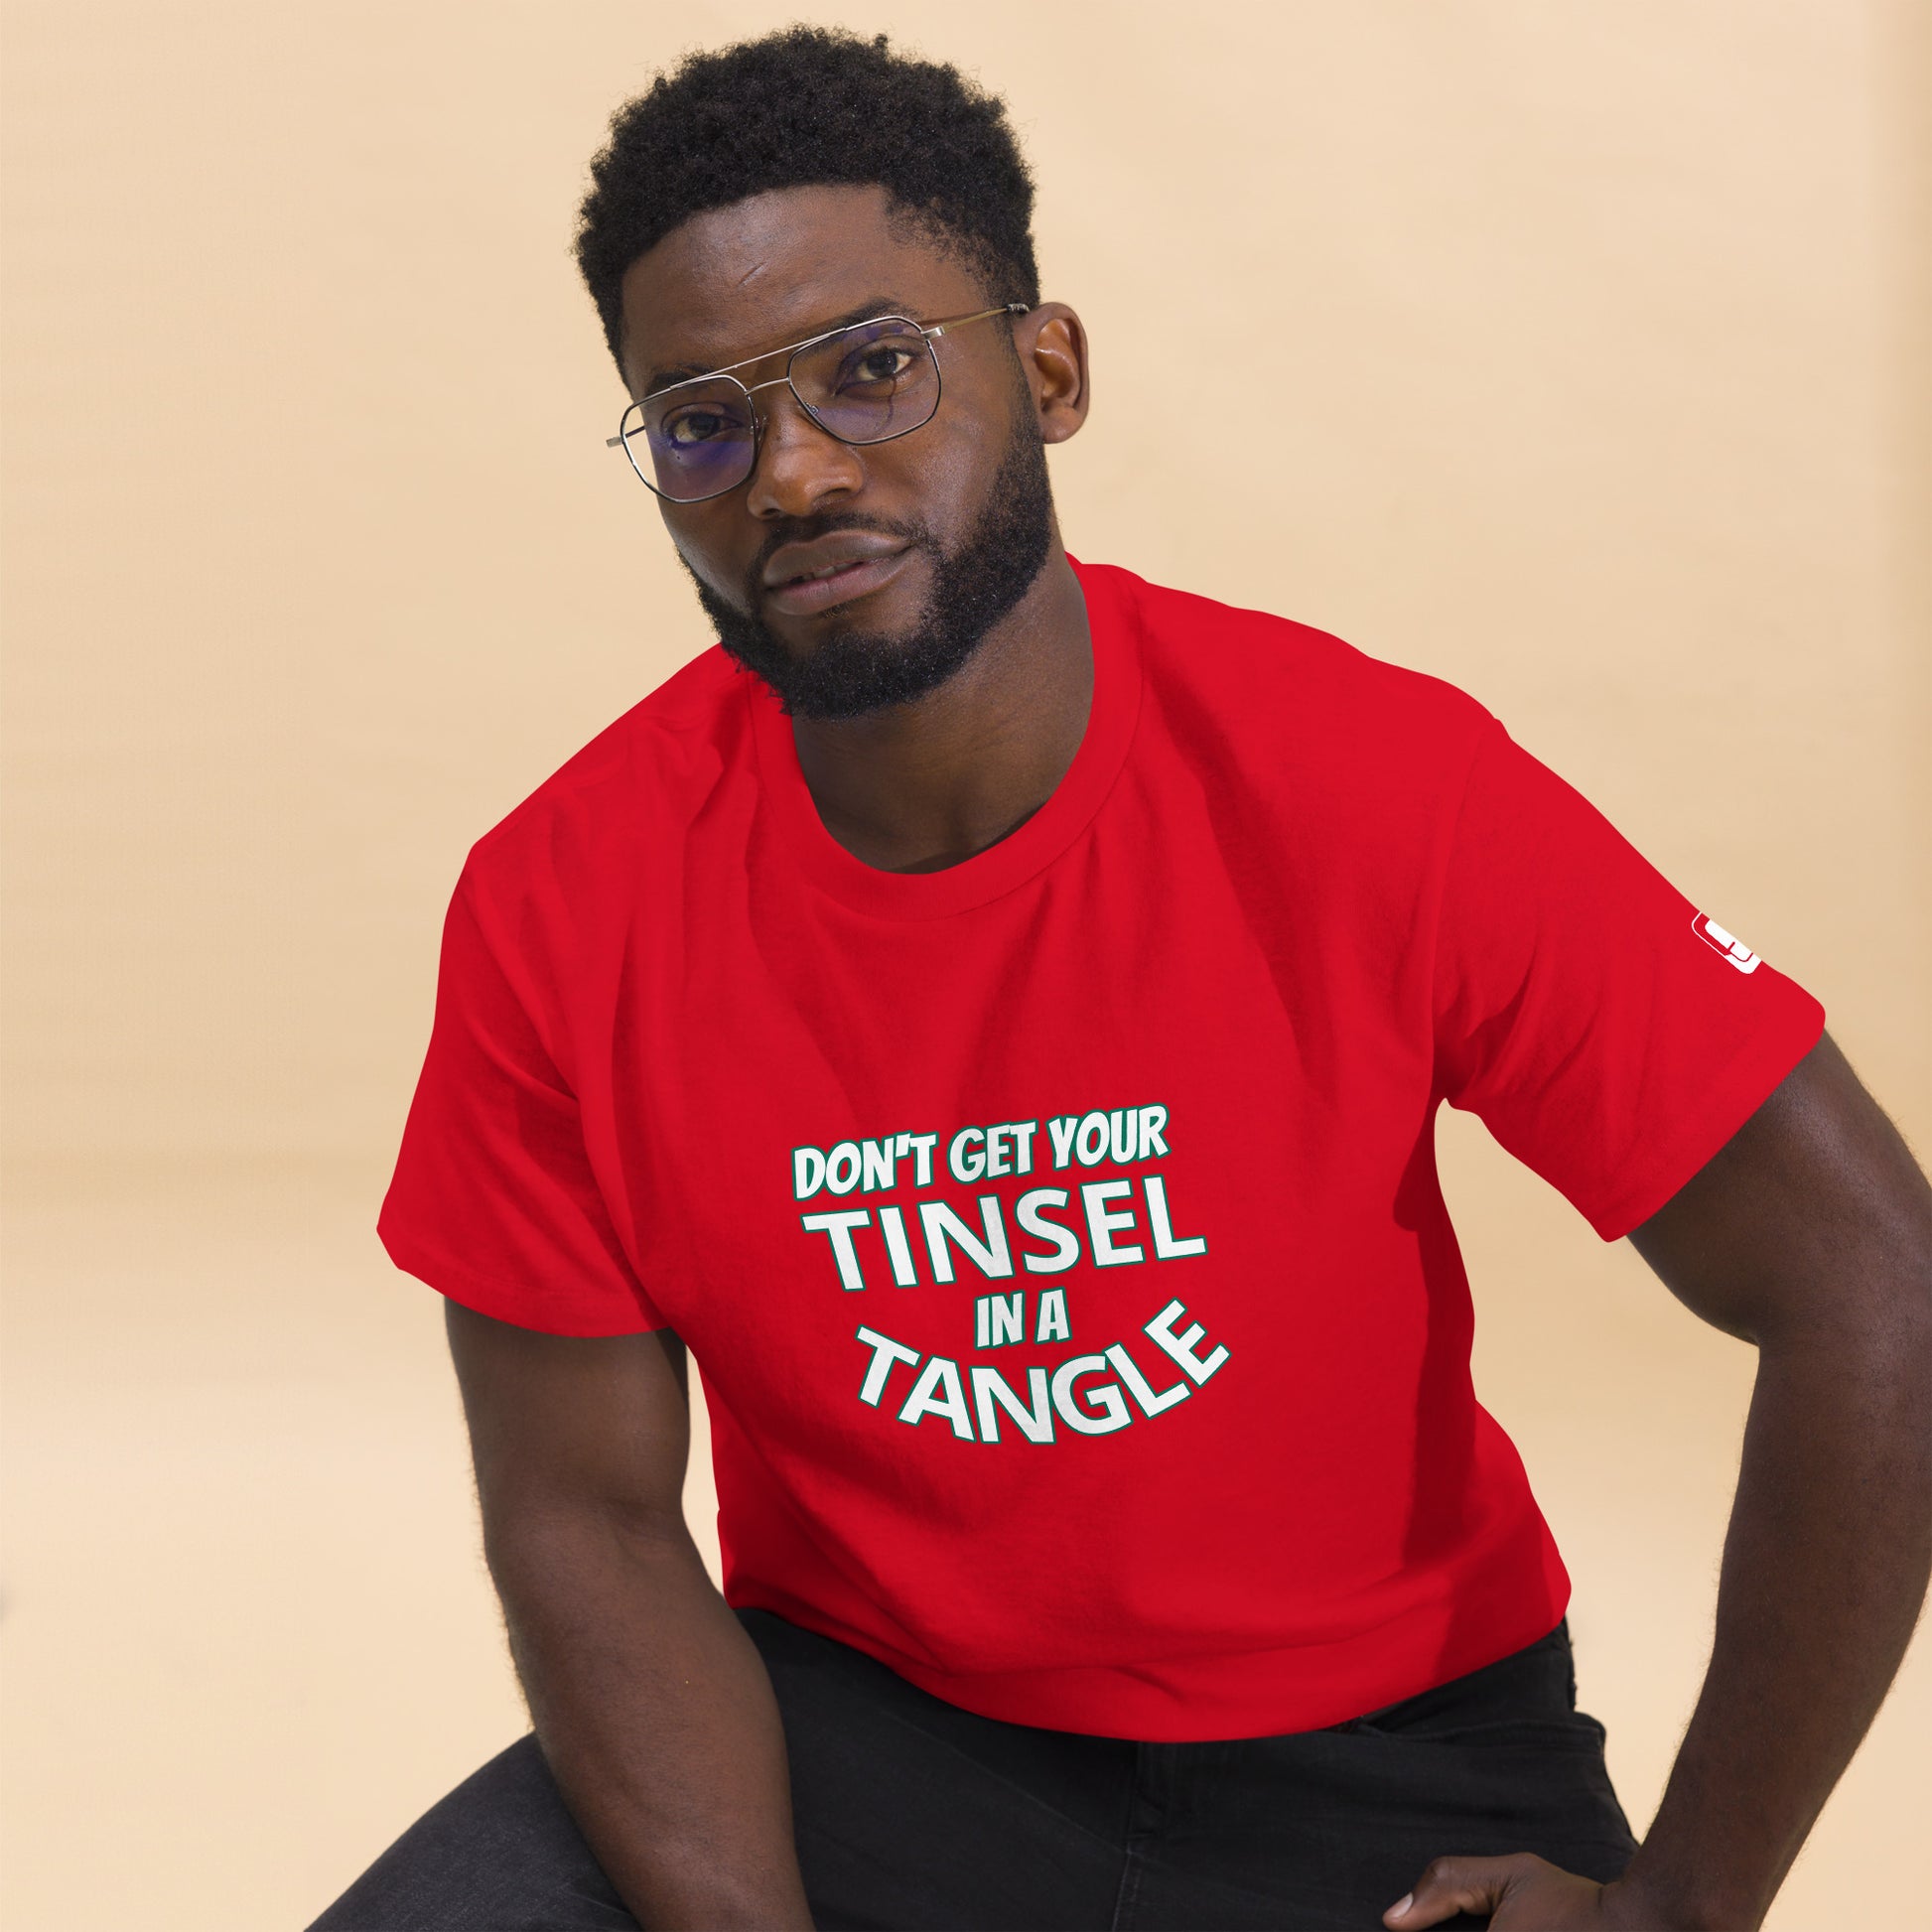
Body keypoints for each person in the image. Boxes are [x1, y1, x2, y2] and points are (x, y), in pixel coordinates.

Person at [309, 27, 1932, 1932]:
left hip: (1384, 1767)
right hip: (864, 1738)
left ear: (1048, 368)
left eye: (872, 368)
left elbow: (1873, 1284)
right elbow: (579, 1509)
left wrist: (1683, 1906)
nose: (795, 471)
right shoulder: (559, 900)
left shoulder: (1368, 783)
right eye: (700, 423)